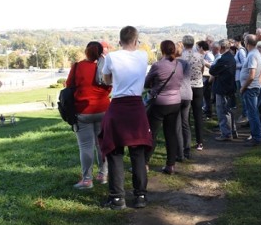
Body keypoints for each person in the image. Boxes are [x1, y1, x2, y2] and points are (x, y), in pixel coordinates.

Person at [99, 26, 152, 210]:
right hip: (136, 107)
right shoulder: (143, 56)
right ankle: (140, 196)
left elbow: (106, 80)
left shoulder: (112, 57)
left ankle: (117, 198)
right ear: (136, 41)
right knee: (138, 153)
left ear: (119, 41)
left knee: (114, 153)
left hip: (119, 105)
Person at [69, 41, 112, 190]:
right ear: (101, 52)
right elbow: (110, 86)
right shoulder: (106, 66)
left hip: (83, 111)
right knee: (102, 144)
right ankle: (103, 174)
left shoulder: (77, 67)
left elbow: (69, 85)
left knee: (86, 146)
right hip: (103, 110)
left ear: (86, 51)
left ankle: (87, 180)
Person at [144, 40, 183, 175]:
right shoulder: (179, 65)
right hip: (175, 102)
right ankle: (170, 165)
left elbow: (146, 83)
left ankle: (145, 163)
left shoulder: (157, 65)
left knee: (152, 133)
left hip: (160, 103)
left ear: (162, 50)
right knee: (170, 133)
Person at [209, 39, 238, 141]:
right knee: (229, 111)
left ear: (221, 48)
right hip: (230, 87)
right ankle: (232, 131)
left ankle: (226, 134)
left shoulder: (223, 59)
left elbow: (212, 71)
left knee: (222, 111)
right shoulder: (231, 57)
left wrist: (212, 66)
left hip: (223, 88)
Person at [182, 35, 206, 152]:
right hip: (198, 86)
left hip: (186, 87)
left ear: (183, 43)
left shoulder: (182, 56)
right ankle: (200, 142)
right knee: (198, 115)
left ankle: (185, 142)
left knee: (185, 116)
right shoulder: (200, 56)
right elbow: (202, 70)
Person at [239, 34, 261, 146]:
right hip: (252, 87)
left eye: (244, 40)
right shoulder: (254, 53)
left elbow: (252, 75)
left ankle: (256, 137)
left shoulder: (253, 55)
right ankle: (256, 135)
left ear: (247, 43)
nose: (243, 42)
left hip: (250, 88)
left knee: (252, 114)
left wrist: (243, 87)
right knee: (252, 113)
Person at [174, 41, 192, 161]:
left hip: (177, 95)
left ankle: (179, 153)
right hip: (188, 94)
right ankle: (187, 150)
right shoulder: (186, 63)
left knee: (177, 125)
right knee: (185, 124)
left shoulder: (174, 63)